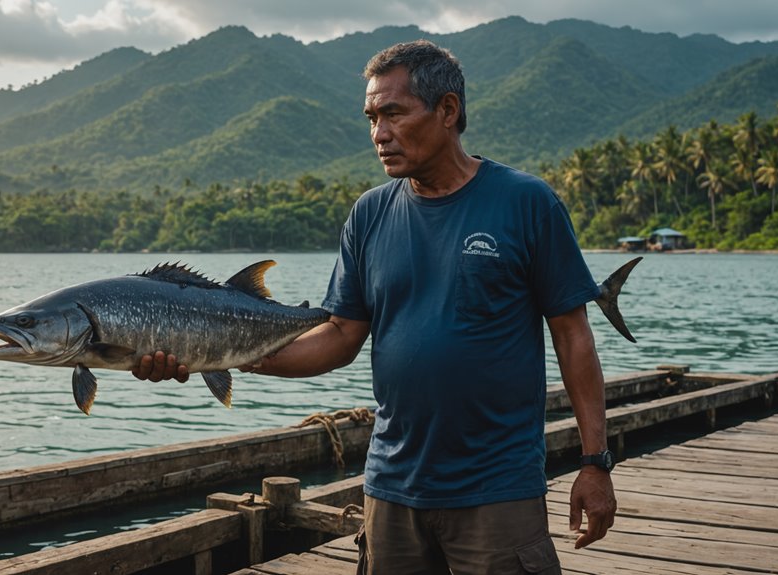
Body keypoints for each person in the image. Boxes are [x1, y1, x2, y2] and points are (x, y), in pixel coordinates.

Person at [134, 39, 616, 574]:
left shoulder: (526, 203)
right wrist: (214, 355)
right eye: (371, 118)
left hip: (496, 487)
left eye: (393, 114)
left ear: (448, 110)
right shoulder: (369, 214)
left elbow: (574, 336)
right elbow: (339, 336)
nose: (379, 134)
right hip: (391, 487)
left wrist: (595, 463)